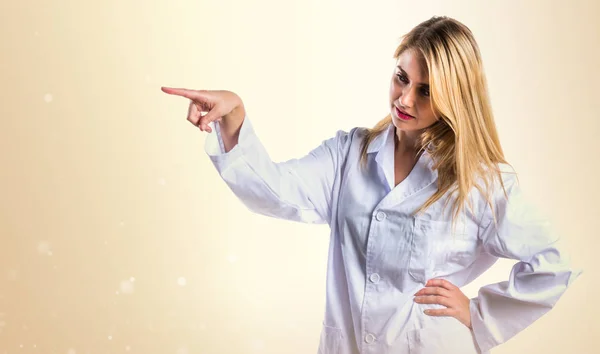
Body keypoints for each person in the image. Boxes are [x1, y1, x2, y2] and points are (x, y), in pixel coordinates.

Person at [161, 15, 581, 354]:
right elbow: (274, 191)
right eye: (401, 78)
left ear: (456, 97)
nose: (404, 99)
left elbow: (552, 263)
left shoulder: (478, 181)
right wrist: (233, 117)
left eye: (425, 91)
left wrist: (480, 314)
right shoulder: (350, 154)